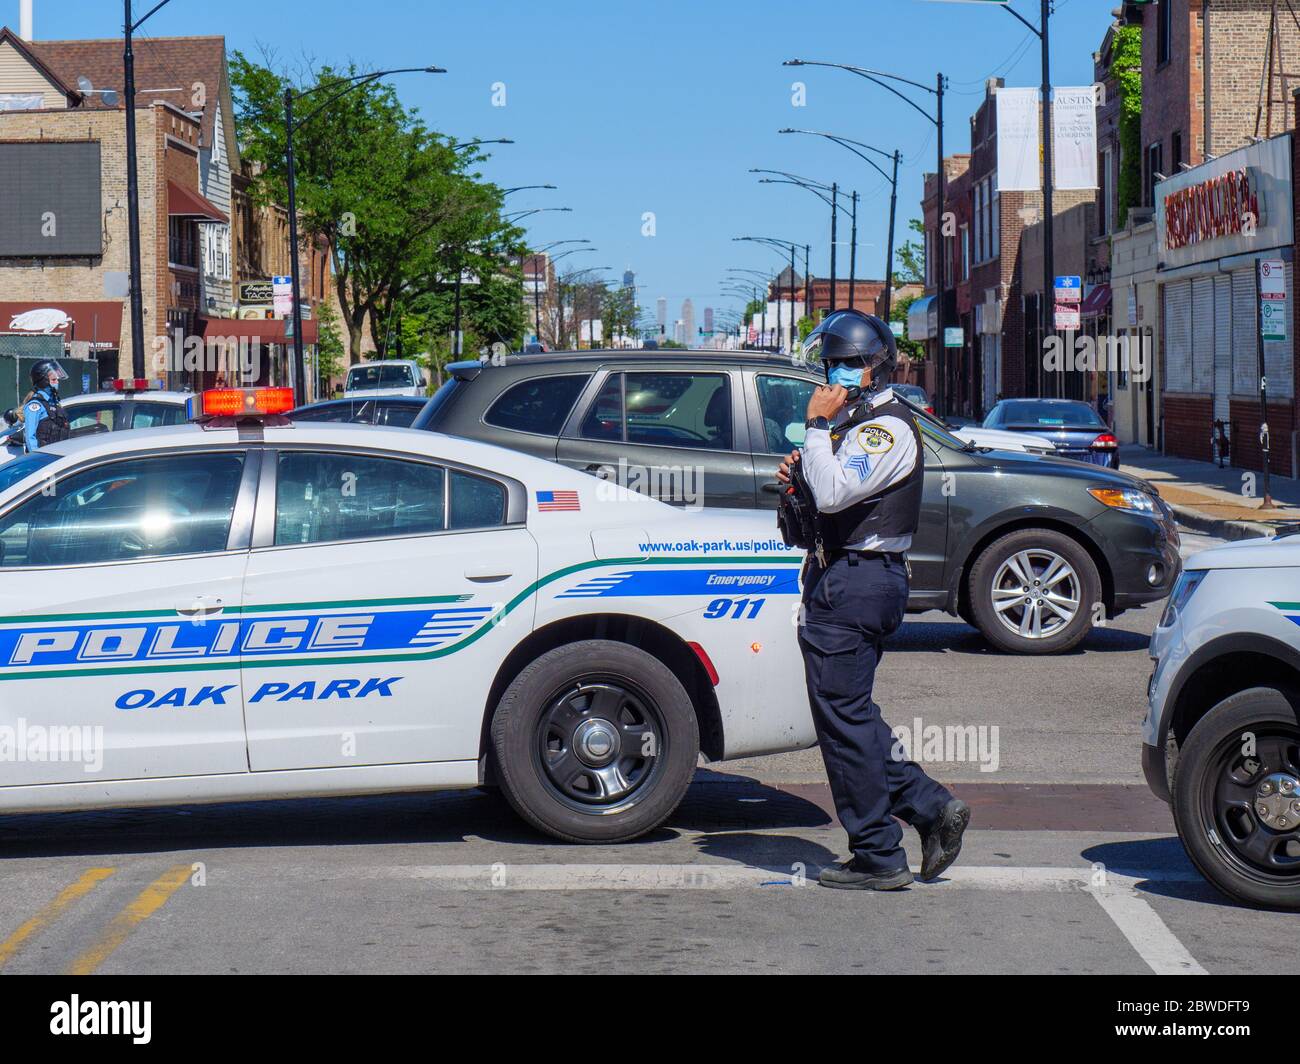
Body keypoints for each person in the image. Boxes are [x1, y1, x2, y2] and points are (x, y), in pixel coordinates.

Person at [777, 309, 970, 890]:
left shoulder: (882, 429)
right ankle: (931, 808)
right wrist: (798, 475)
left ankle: (879, 854)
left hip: (859, 582)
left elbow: (836, 493)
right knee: (849, 715)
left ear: (866, 366)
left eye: (838, 364)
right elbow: (820, 499)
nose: (829, 376)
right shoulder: (858, 426)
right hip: (847, 579)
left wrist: (813, 431)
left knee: (844, 721)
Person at [19, 360, 71, 452]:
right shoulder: (35, 405)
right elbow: (30, 438)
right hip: (43, 459)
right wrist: (36, 458)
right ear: (43, 381)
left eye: (57, 379)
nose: (57, 382)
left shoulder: (54, 402)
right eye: (54, 380)